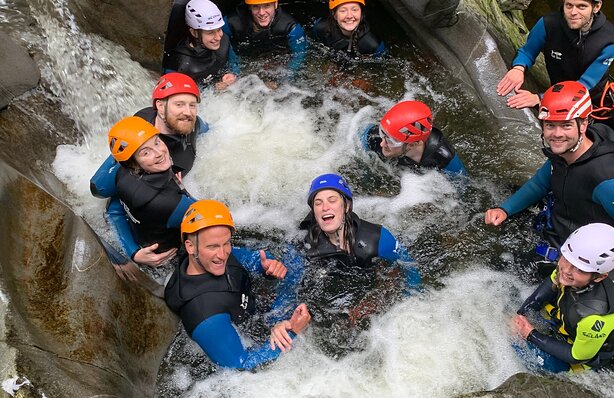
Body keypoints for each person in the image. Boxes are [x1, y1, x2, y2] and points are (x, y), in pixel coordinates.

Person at [496, 0, 614, 205]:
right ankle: (562, 185)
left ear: (596, 7)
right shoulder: (548, 24)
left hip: (597, 98)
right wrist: (518, 68)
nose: (573, 12)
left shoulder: (609, 38)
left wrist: (539, 98)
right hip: (558, 97)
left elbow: (585, 84)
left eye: (581, 6)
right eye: (568, 5)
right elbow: (528, 51)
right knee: (566, 144)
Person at [485, 81, 614, 278]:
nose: (557, 134)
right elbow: (540, 183)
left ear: (583, 124)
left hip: (576, 257)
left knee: (497, 274)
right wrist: (505, 209)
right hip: (556, 231)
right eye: (550, 125)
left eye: (566, 125)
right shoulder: (564, 153)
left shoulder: (606, 178)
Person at [164, 199, 311, 369]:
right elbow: (242, 365)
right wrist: (291, 331)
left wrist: (267, 268)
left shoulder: (211, 255)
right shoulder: (205, 317)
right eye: (213, 246)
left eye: (226, 243)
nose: (222, 254)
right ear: (190, 247)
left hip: (250, 306)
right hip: (251, 333)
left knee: (295, 260)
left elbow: (251, 259)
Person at [90, 73, 206, 266]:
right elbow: (107, 196)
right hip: (161, 216)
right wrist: (133, 252)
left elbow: (206, 126)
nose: (188, 112)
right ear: (160, 106)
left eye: (192, 105)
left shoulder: (191, 123)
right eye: (179, 104)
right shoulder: (143, 133)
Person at [513, 223, 614, 373]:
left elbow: (576, 355)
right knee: (512, 301)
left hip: (580, 357)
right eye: (567, 259)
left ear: (599, 277)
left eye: (580, 269)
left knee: (519, 349)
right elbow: (546, 288)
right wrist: (520, 315)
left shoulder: (595, 317)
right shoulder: (570, 269)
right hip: (566, 321)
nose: (566, 270)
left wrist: (530, 334)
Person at [299, 173, 421, 291]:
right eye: (318, 203)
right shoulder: (304, 243)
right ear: (314, 212)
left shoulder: (376, 238)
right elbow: (291, 288)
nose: (325, 208)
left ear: (346, 206)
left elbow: (409, 268)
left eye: (332, 200)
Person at [104, 116, 196, 264]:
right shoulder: (170, 204)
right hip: (173, 260)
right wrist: (182, 189)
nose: (159, 152)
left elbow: (113, 211)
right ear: (134, 163)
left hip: (144, 241)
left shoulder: (122, 175)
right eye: (146, 153)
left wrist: (133, 252)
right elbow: (218, 223)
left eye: (157, 142)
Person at [222, 0, 307, 74]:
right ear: (249, 6)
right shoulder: (231, 23)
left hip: (275, 57)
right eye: (256, 7)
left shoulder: (291, 28)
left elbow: (299, 56)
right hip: (246, 56)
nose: (261, 13)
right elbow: (221, 44)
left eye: (267, 6)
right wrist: (235, 70)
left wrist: (282, 79)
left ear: (275, 4)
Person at [361, 100, 466, 176]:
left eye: (391, 141)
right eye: (382, 133)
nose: (382, 144)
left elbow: (463, 190)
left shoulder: (442, 158)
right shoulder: (373, 137)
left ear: (412, 144)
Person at [163, 0, 239, 88]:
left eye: (219, 29)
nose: (218, 37)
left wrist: (232, 74)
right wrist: (214, 89)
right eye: (210, 32)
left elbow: (235, 63)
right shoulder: (179, 64)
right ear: (194, 32)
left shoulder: (224, 41)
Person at [312, 0, 385, 58]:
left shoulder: (373, 45)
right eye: (343, 11)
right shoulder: (321, 27)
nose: (349, 16)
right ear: (334, 14)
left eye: (355, 10)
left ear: (361, 13)